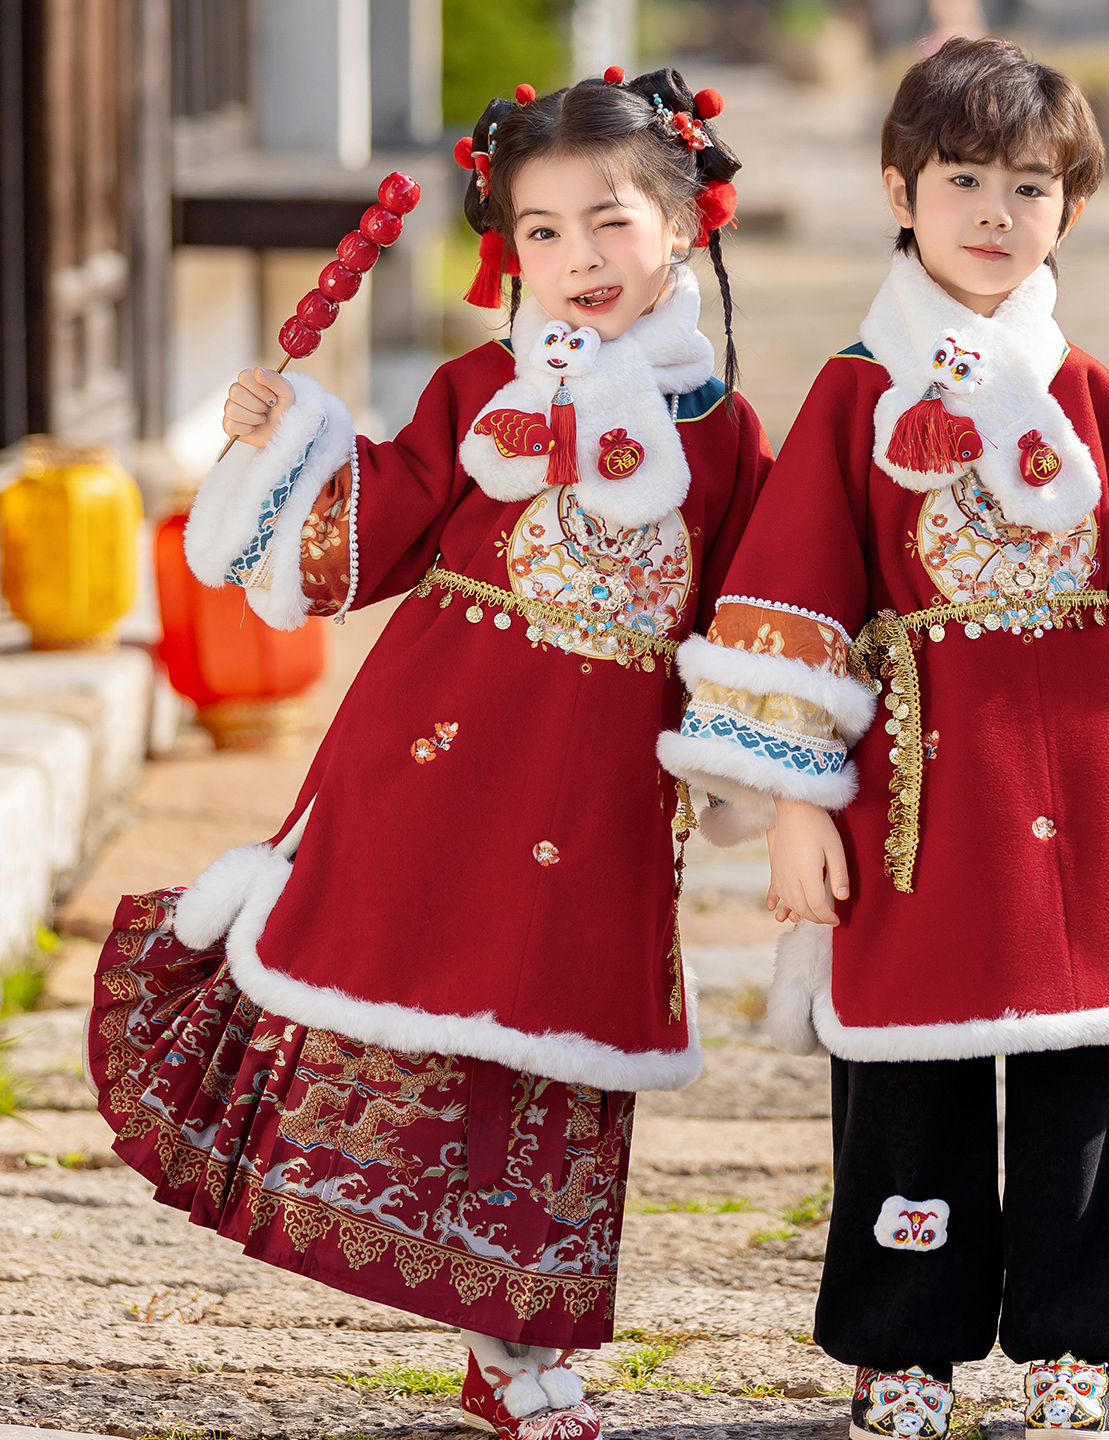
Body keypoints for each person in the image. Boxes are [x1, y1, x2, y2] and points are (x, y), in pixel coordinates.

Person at [86, 67, 770, 1440]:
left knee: (563, 1066)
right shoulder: (478, 393)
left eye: (613, 222)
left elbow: (755, 613)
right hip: (437, 764)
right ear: (507, 251)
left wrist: (767, 776)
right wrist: (289, 450)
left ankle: (519, 1348)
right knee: (408, 1019)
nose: (579, 259)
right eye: (543, 232)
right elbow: (369, 535)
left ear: (688, 227)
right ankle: (499, 1344)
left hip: (607, 807)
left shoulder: (728, 434)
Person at [658, 37, 1109, 1438]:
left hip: (1087, 760)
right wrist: (791, 805)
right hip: (920, 779)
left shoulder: (1090, 396)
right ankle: (905, 1339)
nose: (996, 213)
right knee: (910, 1064)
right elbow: (792, 598)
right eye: (964, 179)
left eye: (1030, 184)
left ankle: (1091, 1338)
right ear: (903, 188)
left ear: (1071, 210)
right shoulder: (854, 393)